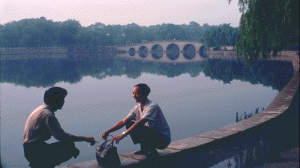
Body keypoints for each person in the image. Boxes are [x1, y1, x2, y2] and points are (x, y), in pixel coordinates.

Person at [23, 87, 96, 168]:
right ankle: (43, 164)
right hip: (35, 152)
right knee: (68, 146)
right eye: (62, 99)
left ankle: (40, 164)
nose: (64, 101)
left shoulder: (41, 109)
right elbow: (62, 137)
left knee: (68, 144)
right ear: (55, 100)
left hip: (30, 150)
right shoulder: (48, 115)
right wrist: (86, 139)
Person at [101, 83, 171, 158]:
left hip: (162, 140)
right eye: (133, 93)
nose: (133, 95)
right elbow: (123, 121)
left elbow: (141, 122)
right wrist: (107, 132)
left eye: (136, 93)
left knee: (138, 126)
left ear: (144, 95)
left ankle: (153, 151)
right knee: (129, 123)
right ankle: (144, 149)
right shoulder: (137, 108)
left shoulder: (152, 106)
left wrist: (123, 134)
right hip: (152, 136)